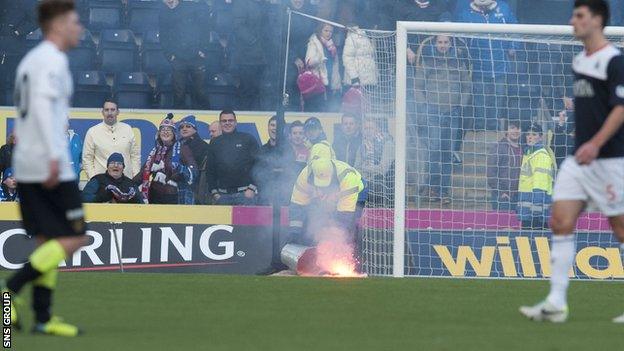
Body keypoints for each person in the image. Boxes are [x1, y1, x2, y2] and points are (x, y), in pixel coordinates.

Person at [520, 0, 624, 323]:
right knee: (560, 221)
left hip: (610, 161)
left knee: (621, 231)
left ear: (597, 20)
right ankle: (556, 302)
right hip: (578, 161)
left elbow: (621, 108)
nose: (572, 21)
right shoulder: (579, 60)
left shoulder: (614, 61)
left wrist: (595, 143)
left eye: (579, 16)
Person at [1, 0, 87, 337]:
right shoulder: (52, 61)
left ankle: (42, 317)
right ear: (58, 24)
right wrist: (53, 157)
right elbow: (40, 111)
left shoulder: (30, 61)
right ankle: (12, 287)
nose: (79, 28)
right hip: (48, 164)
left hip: (27, 163)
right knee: (76, 236)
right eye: (74, 22)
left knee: (47, 240)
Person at [415, 34, 472, 203]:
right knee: (434, 149)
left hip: (452, 112)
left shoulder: (458, 61)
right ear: (435, 43)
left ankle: (444, 191)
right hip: (432, 111)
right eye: (440, 42)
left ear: (450, 44)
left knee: (448, 152)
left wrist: (461, 104)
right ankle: (432, 189)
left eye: (446, 42)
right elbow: (418, 86)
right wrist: (424, 105)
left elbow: (467, 85)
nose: (442, 45)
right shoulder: (428, 60)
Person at [285, 158, 364, 266]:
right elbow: (298, 205)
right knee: (314, 227)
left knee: (347, 233)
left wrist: (336, 239)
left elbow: (345, 216)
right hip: (325, 202)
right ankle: (318, 264)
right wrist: (294, 231)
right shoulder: (305, 176)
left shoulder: (348, 178)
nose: (322, 188)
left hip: (354, 196)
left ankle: (349, 263)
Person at [455, 0, 517, 130]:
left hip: (501, 66)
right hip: (478, 67)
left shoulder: (504, 8)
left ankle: (493, 128)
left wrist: (513, 47)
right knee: (479, 99)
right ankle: (479, 128)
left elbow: (515, 29)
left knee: (498, 98)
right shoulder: (465, 14)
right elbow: (459, 39)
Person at [159, 0, 210, 109]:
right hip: (178, 58)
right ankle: (179, 121)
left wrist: (203, 50)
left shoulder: (197, 7)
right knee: (179, 94)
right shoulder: (166, 11)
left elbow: (205, 29)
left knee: (201, 91)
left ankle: (205, 119)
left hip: (197, 57)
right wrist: (169, 55)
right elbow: (164, 35)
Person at [137, 116, 197, 204]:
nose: (165, 132)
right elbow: (142, 174)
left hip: (173, 196)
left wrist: (174, 170)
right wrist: (127, 184)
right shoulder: (155, 151)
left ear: (174, 134)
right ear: (159, 134)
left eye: (169, 130)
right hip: (154, 197)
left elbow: (193, 172)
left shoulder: (182, 149)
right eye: (163, 130)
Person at [207, 110, 260, 205]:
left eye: (230, 120)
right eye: (224, 121)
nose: (227, 123)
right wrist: (214, 192)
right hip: (222, 196)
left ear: (235, 122)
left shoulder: (248, 139)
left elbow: (259, 164)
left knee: (245, 220)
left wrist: (252, 188)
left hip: (245, 194)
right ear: (220, 123)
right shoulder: (214, 143)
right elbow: (210, 169)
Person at [82, 99, 141, 179]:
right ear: (102, 112)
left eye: (113, 110)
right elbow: (87, 159)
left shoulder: (127, 129)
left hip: (125, 182)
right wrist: (94, 180)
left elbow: (135, 156)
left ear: (118, 112)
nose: (109, 113)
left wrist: (135, 178)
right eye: (106, 110)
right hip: (101, 184)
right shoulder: (92, 132)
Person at [516, 122, 555, 229]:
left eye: (534, 134)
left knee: (537, 237)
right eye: (528, 134)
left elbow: (541, 181)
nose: (530, 137)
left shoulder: (541, 155)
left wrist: (537, 206)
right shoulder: (529, 154)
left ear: (541, 137)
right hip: (527, 205)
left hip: (536, 207)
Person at [231, 0, 268, 110]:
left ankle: (257, 113)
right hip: (246, 57)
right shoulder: (241, 3)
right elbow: (238, 27)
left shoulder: (264, 4)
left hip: (262, 56)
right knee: (247, 90)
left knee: (259, 91)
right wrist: (253, 41)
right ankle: (245, 115)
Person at [354, 119, 395, 206]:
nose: (368, 131)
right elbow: (356, 169)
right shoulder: (362, 147)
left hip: (384, 189)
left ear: (378, 130)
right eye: (365, 128)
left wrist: (365, 168)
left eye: (371, 128)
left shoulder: (387, 144)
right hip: (366, 186)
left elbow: (383, 169)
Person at [303, 23, 342, 112]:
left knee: (329, 108)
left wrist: (336, 83)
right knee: (316, 107)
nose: (328, 33)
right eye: (326, 30)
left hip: (329, 81)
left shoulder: (332, 46)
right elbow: (308, 62)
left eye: (331, 31)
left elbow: (335, 66)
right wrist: (319, 59)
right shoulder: (314, 43)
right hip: (317, 81)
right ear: (320, 30)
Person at [486, 120, 523, 211]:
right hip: (502, 197)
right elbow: (491, 173)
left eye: (518, 128)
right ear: (506, 130)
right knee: (502, 225)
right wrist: (501, 192)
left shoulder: (523, 149)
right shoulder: (499, 147)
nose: (516, 131)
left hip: (517, 196)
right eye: (512, 128)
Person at [178, 115, 211, 204]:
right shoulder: (177, 144)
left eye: (188, 126)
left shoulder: (202, 145)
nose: (184, 129)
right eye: (181, 127)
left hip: (194, 187)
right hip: (179, 186)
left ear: (195, 129)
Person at [342, 24, 378, 89]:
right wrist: (354, 77)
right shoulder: (353, 36)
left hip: (370, 80)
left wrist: (375, 76)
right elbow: (347, 58)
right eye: (375, 25)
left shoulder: (371, 36)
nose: (376, 27)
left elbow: (372, 57)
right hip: (356, 81)